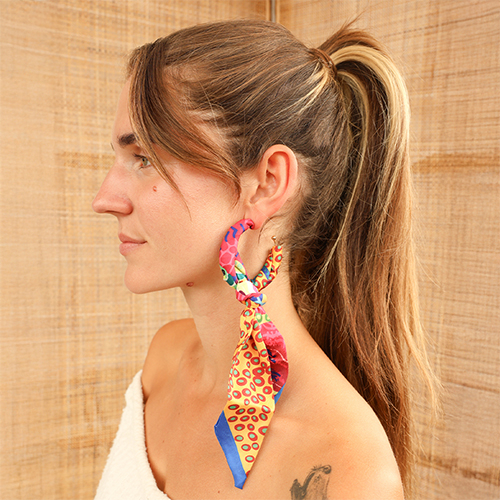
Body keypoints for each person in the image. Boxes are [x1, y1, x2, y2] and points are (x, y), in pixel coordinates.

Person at [92, 19, 434, 500]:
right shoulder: (164, 360)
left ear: (268, 182)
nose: (104, 199)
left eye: (144, 158)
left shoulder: (347, 472)